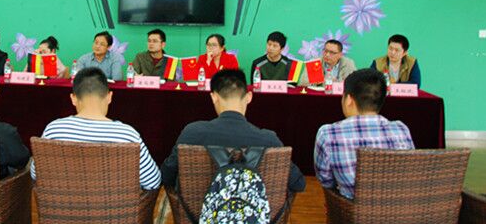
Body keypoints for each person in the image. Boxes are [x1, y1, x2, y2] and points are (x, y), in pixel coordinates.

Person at [161, 69, 305, 192]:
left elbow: (166, 176)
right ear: (249, 97)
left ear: (214, 97)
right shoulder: (269, 139)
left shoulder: (192, 133)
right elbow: (298, 183)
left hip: (197, 213)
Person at [30, 67, 160, 190]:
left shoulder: (54, 130)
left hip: (59, 206)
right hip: (116, 206)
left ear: (73, 98)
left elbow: (35, 174)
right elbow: (153, 182)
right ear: (109, 97)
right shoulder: (127, 135)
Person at [314, 68, 415, 199]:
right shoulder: (401, 129)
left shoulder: (328, 134)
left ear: (349, 100)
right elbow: (409, 173)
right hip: (398, 205)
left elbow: (325, 180)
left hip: (351, 208)